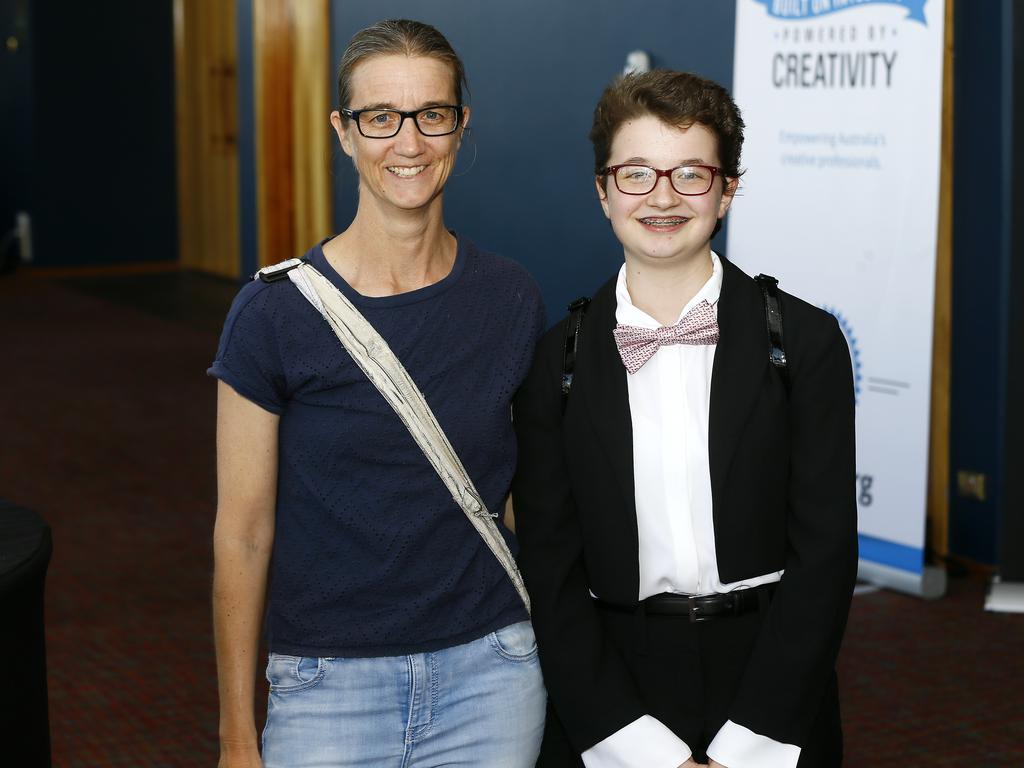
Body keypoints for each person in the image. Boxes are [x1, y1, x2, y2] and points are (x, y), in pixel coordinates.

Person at [210, 19, 546, 768]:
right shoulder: (272, 314)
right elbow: (243, 534)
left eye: (432, 114)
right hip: (327, 685)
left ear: (460, 126)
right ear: (343, 131)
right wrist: (237, 736)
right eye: (380, 118)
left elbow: (522, 494)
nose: (409, 143)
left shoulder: (510, 299)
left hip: (491, 674)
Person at [511, 70, 857, 768]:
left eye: (691, 174)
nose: (663, 197)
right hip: (611, 683)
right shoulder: (557, 360)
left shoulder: (807, 342)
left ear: (728, 188)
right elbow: (548, 568)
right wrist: (634, 745)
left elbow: (824, 557)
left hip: (772, 676)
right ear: (602, 189)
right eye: (635, 173)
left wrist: (747, 746)